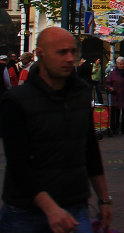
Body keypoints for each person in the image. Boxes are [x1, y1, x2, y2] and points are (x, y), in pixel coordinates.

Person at [0, 27, 113, 233]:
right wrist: (50, 209)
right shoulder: (16, 101)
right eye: (61, 52)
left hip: (74, 205)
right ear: (41, 55)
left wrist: (104, 199)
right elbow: (19, 163)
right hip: (26, 211)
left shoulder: (80, 94)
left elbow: (90, 151)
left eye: (73, 51)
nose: (70, 58)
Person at [104, 56, 124, 135]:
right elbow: (107, 83)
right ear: (117, 64)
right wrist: (111, 88)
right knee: (115, 112)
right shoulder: (113, 73)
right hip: (116, 95)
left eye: (123, 64)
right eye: (120, 64)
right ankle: (114, 128)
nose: (122, 66)